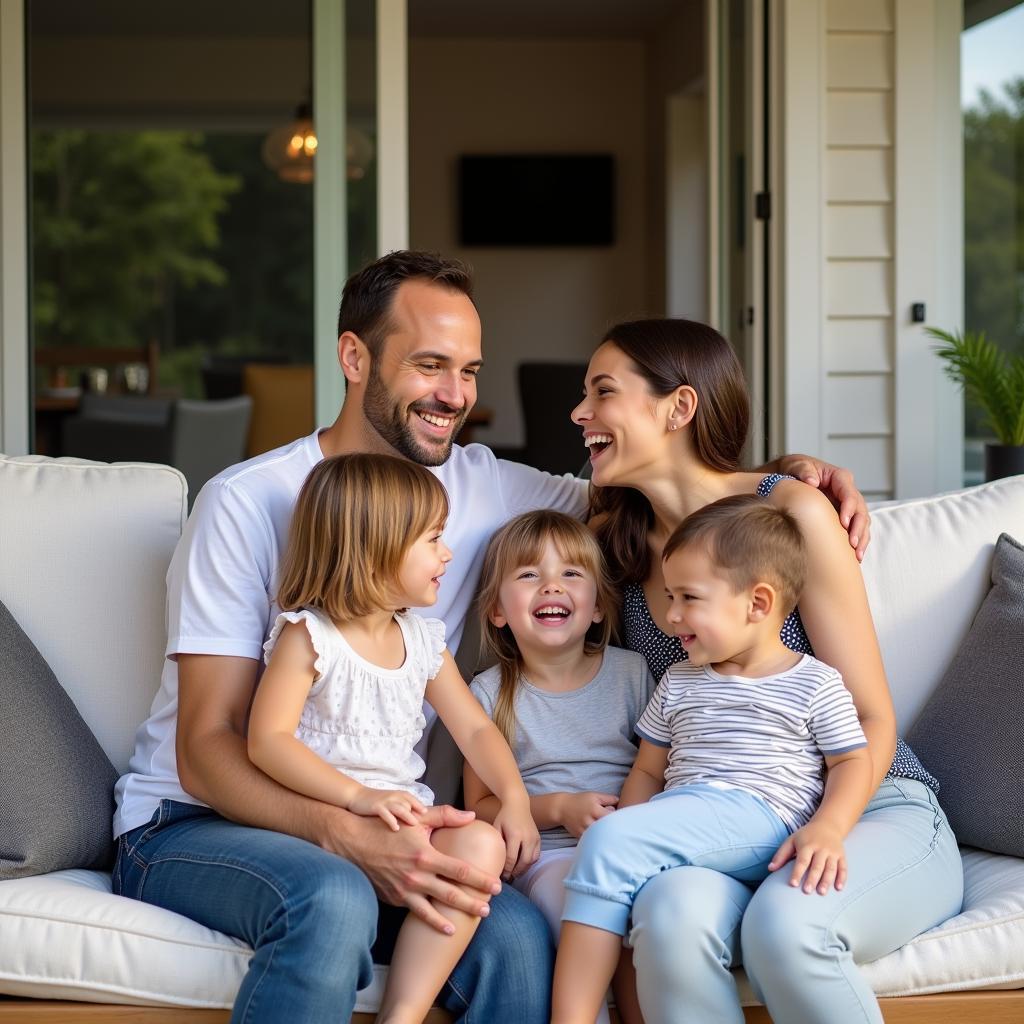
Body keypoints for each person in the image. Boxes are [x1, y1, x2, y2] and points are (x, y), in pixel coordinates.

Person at [111, 250, 871, 1024]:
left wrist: (784, 482)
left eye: (469, 371)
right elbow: (206, 749)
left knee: (518, 942)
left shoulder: (485, 484)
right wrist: (350, 835)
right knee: (333, 897)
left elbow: (658, 477)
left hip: (397, 822)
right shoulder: (248, 503)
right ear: (353, 357)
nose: (455, 396)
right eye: (430, 365)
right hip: (196, 823)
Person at [571, 318, 963, 1024]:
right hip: (725, 823)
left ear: (679, 408)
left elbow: (873, 717)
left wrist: (829, 828)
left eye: (602, 392)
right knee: (667, 917)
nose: (579, 413)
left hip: (868, 806)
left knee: (788, 926)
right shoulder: (613, 546)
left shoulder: (790, 512)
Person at [551, 494, 872, 1023]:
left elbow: (851, 761)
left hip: (767, 817)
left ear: (759, 603)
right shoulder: (679, 681)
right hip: (694, 821)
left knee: (608, 843)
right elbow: (649, 770)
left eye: (689, 599)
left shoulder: (814, 683)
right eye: (669, 595)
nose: (671, 615)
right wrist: (632, 824)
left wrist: (830, 827)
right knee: (642, 875)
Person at [248, 453, 539, 1024]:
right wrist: (358, 799)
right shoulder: (309, 637)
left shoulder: (423, 640)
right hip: (320, 825)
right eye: (432, 540)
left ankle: (402, 1013)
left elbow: (476, 728)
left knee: (481, 846)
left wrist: (516, 799)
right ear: (373, 547)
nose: (448, 555)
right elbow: (267, 741)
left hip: (403, 823)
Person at [464, 509, 656, 1024]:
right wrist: (559, 808)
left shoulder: (632, 674)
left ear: (596, 606)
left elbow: (664, 767)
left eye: (571, 573)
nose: (552, 586)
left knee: (645, 920)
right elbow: (479, 808)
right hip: (546, 858)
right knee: (578, 902)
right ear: (498, 611)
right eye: (529, 575)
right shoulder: (487, 692)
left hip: (630, 847)